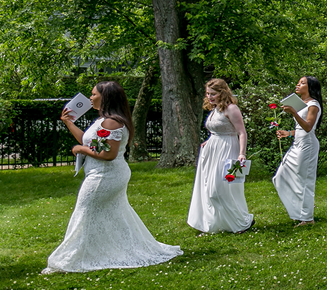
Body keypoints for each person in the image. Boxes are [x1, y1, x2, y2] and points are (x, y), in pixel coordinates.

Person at [43, 81, 182, 274]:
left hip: (105, 176)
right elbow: (89, 141)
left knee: (85, 211)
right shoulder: (104, 120)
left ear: (105, 96)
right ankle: (104, 250)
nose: (90, 98)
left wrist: (81, 149)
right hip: (101, 174)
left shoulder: (112, 122)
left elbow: (108, 155)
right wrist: (68, 123)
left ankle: (70, 259)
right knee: (111, 214)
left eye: (93, 94)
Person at [188, 78, 254, 235]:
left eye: (213, 94)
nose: (210, 97)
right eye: (208, 94)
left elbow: (241, 132)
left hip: (227, 149)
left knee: (218, 190)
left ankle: (242, 222)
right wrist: (209, 141)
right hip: (212, 150)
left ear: (222, 93)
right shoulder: (215, 109)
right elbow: (216, 130)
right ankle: (218, 223)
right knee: (208, 188)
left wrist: (242, 153)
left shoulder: (231, 109)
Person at [273, 76, 323, 226]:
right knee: (280, 176)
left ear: (310, 87)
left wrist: (294, 112)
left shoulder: (313, 105)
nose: (298, 85)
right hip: (297, 143)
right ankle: (299, 210)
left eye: (302, 83)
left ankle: (307, 218)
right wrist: (289, 133)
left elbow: (308, 127)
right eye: (299, 82)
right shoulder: (303, 104)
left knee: (304, 180)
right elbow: (301, 128)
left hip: (307, 145)